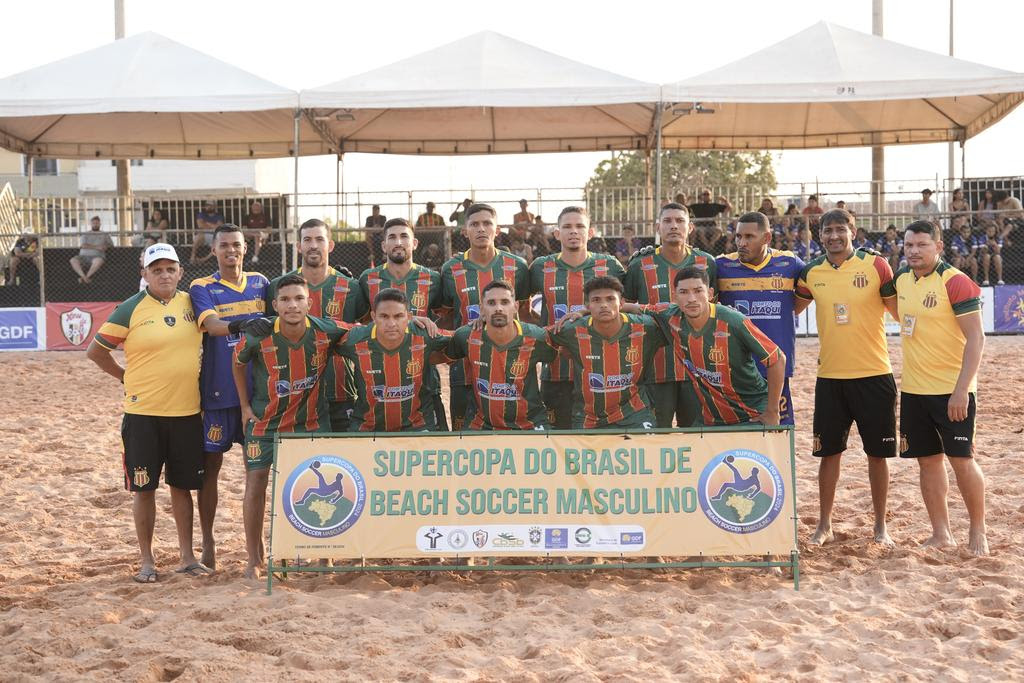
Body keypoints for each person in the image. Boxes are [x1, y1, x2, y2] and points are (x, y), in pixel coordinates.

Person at [86, 243, 207, 582]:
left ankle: (187, 557)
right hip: (143, 415)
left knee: (182, 487)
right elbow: (96, 351)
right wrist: (124, 376)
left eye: (170, 269)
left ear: (181, 272)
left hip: (186, 412)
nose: (164, 275)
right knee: (144, 488)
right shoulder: (130, 308)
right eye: (157, 270)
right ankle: (147, 561)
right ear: (145, 274)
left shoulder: (193, 304)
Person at [234, 274, 351, 579]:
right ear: (275, 305)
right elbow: (238, 362)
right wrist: (244, 406)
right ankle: (254, 559)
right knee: (256, 484)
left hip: (311, 423)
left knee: (322, 487)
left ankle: (324, 557)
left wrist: (416, 322)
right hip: (265, 424)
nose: (292, 305)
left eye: (299, 298)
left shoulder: (326, 331)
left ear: (309, 303)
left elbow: (363, 332)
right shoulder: (259, 335)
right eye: (285, 299)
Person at [794, 208, 900, 546]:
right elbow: (788, 310)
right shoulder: (811, 272)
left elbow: (900, 311)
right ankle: (824, 524)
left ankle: (881, 527)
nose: (834, 236)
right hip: (830, 378)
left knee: (877, 455)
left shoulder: (876, 265)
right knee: (828, 454)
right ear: (820, 235)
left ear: (853, 232)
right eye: (828, 231)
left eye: (841, 229)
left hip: (875, 375)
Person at [881, 219, 987, 555]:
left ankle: (978, 531)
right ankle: (941, 533)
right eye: (909, 245)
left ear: (938, 247)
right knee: (927, 461)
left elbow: (977, 338)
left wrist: (962, 390)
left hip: (952, 391)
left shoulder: (956, 281)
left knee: (962, 460)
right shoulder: (902, 279)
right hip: (914, 391)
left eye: (922, 245)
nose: (913, 251)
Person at [188, 224, 270, 570]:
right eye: (224, 245)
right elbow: (211, 326)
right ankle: (208, 541)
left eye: (236, 244)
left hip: (257, 394)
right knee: (210, 470)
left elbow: (288, 307)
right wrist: (242, 325)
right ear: (214, 250)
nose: (231, 250)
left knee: (256, 472)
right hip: (218, 393)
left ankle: (256, 548)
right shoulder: (201, 286)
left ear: (245, 248)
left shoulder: (261, 283)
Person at [266, 219, 367, 432]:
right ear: (299, 246)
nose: (313, 245)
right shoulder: (277, 286)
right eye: (307, 240)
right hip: (294, 393)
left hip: (341, 391)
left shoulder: (352, 287)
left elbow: (365, 328)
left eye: (320, 239)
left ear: (330, 245)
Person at [529, 206, 625, 429]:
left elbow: (624, 309)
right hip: (555, 371)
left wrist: (586, 312)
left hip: (601, 371)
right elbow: (522, 307)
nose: (574, 231)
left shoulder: (610, 265)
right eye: (567, 227)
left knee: (600, 437)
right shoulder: (540, 267)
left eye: (580, 226)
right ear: (557, 233)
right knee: (557, 438)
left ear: (590, 232)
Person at [623, 202, 717, 428]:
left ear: (690, 227)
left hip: (698, 369)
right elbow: (626, 309)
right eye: (667, 221)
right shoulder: (639, 265)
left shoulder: (708, 263)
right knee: (654, 436)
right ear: (658, 227)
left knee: (697, 435)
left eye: (680, 221)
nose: (673, 226)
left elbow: (716, 310)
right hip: (654, 368)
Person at [439, 203, 530, 430]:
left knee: (513, 432)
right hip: (465, 369)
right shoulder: (450, 270)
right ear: (464, 230)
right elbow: (447, 317)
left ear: (497, 230)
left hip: (510, 368)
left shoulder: (518, 266)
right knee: (462, 436)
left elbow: (524, 314)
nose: (481, 229)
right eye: (474, 224)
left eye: (487, 223)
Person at [657, 267, 785, 426]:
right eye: (683, 292)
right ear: (674, 296)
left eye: (698, 291)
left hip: (751, 414)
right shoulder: (670, 316)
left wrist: (772, 412)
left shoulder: (733, 321)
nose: (691, 299)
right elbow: (637, 309)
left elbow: (777, 359)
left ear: (710, 293)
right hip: (712, 418)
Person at [715, 211, 805, 425]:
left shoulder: (790, 263)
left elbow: (807, 293)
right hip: (735, 369)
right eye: (738, 236)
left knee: (779, 432)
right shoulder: (721, 266)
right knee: (738, 432)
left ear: (767, 238)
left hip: (775, 367)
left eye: (749, 237)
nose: (741, 243)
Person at [357, 217, 447, 429]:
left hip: (424, 378)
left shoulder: (433, 279)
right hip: (379, 379)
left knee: (436, 441)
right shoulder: (367, 279)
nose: (398, 242)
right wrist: (408, 320)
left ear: (414, 243)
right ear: (383, 245)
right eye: (392, 237)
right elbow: (363, 322)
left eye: (404, 236)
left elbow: (446, 316)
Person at [548, 276, 666, 429]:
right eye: (596, 300)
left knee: (649, 443)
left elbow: (676, 321)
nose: (604, 305)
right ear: (587, 305)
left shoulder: (646, 327)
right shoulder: (571, 330)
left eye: (610, 299)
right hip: (588, 416)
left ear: (621, 303)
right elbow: (534, 337)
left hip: (634, 412)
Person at [447, 280, 558, 430]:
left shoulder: (537, 337)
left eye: (505, 302)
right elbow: (438, 354)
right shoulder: (465, 336)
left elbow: (567, 348)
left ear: (515, 307)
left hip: (530, 424)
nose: (498, 308)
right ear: (482, 309)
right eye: (491, 303)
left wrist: (583, 313)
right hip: (481, 425)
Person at [338, 288, 451, 432]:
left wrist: (480, 323)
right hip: (367, 428)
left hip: (417, 427)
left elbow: (461, 338)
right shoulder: (355, 339)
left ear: (409, 317)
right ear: (373, 316)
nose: (391, 323)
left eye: (398, 316)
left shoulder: (425, 334)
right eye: (384, 316)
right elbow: (323, 339)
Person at [70, 216, 113, 284]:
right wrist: (97, 247)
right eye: (94, 223)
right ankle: (84, 277)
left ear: (100, 224)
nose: (95, 225)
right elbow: (83, 245)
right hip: (83, 256)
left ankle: (85, 277)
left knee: (98, 261)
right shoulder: (85, 234)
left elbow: (111, 245)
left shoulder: (105, 234)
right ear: (91, 224)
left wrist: (106, 246)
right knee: (73, 260)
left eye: (97, 223)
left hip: (97, 256)